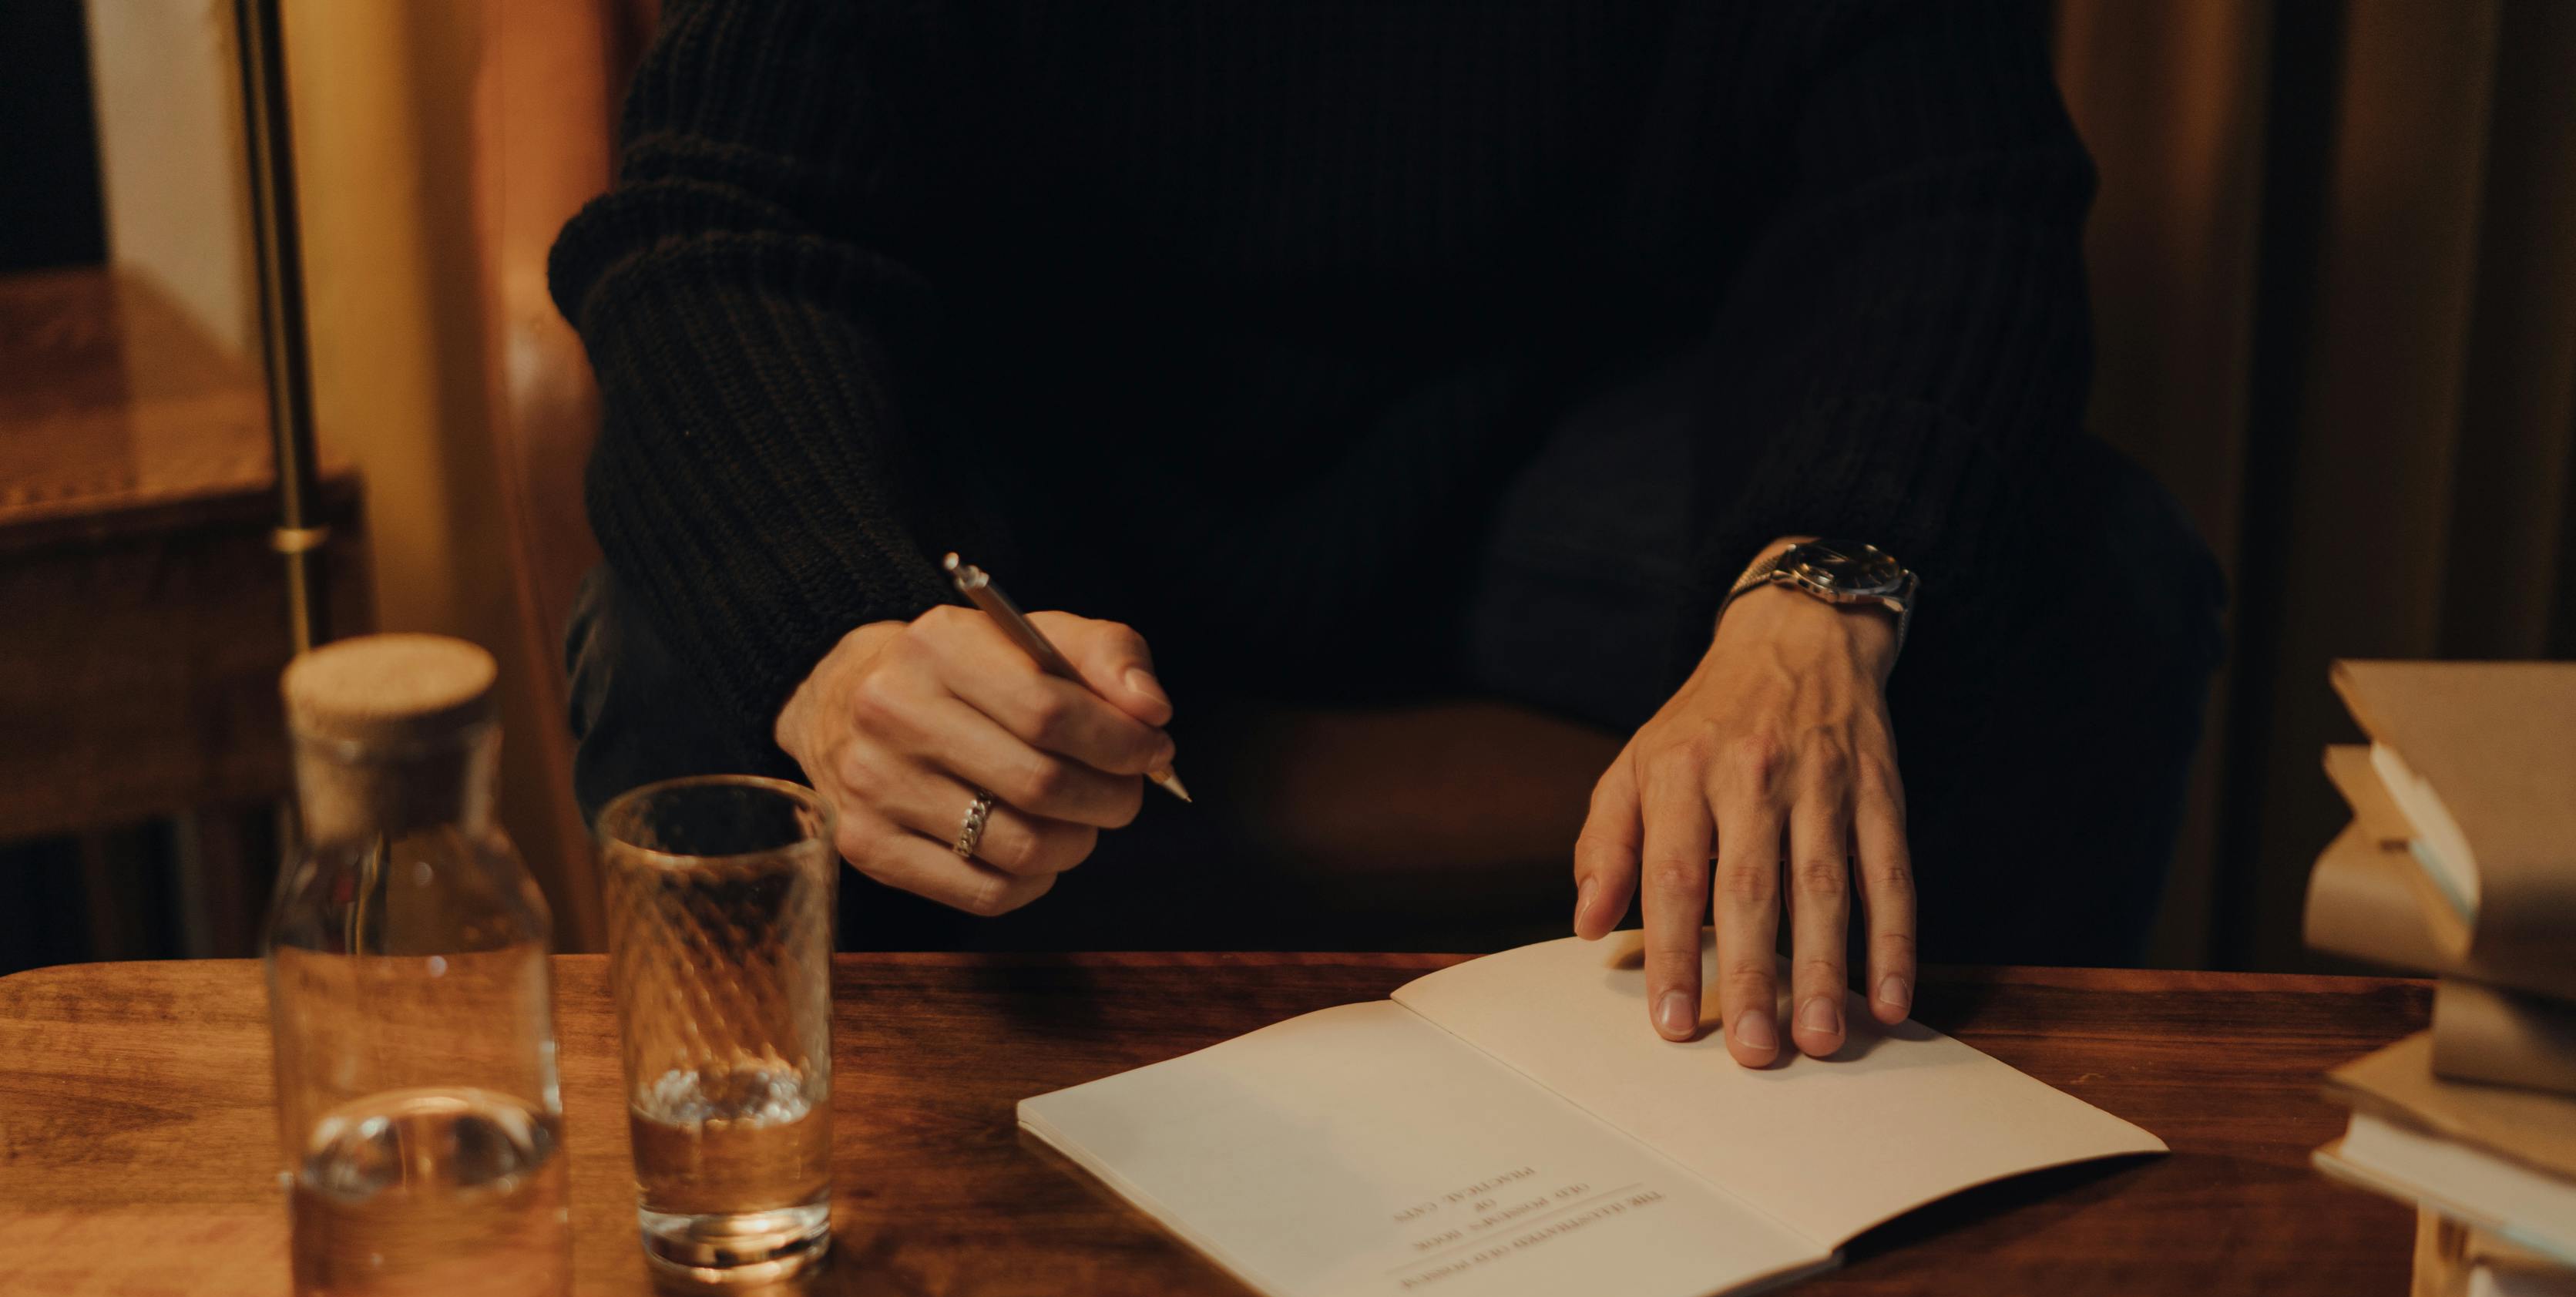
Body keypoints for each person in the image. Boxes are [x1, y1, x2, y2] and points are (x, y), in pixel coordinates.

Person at [552, 0, 2224, 1071]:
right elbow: (720, 219)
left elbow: (1952, 188)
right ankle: (847, 1290)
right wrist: (842, 636)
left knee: (2091, 589)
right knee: (686, 655)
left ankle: (1940, 1282)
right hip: (1049, 470)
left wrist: (1820, 584)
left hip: (1563, 442)